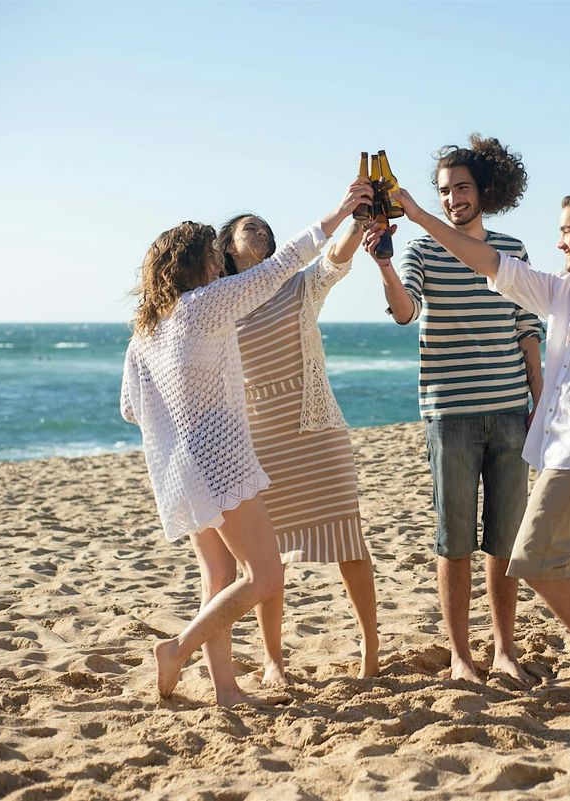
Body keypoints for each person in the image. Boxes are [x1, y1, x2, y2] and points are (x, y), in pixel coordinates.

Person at [373, 185, 570, 722]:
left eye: (566, 231)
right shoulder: (565, 292)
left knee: (529, 558)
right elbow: (487, 260)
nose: (559, 242)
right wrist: (416, 214)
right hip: (555, 450)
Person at [120, 179, 372, 706]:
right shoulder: (202, 306)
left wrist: (178, 411)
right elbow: (285, 265)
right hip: (221, 458)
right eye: (212, 258)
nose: (218, 266)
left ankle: (227, 691)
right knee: (265, 574)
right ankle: (178, 649)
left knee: (220, 576)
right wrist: (340, 211)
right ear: (193, 264)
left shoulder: (146, 328)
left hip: (176, 471)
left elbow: (130, 408)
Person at [367, 135, 543, 684]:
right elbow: (404, 311)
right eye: (443, 191)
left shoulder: (512, 248)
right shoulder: (420, 251)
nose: (452, 199)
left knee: (505, 541)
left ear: (482, 190)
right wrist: (385, 265)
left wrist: (540, 402)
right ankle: (461, 657)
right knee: (455, 540)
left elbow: (527, 330)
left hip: (513, 411)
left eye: (461, 188)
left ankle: (505, 651)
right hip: (451, 414)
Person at [211, 211, 379, 682]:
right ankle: (273, 660)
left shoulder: (296, 286)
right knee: (267, 553)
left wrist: (360, 224)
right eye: (250, 228)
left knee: (349, 538)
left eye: (266, 228)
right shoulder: (221, 301)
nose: (261, 233)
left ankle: (370, 648)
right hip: (259, 438)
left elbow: (333, 260)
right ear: (227, 245)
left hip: (316, 430)